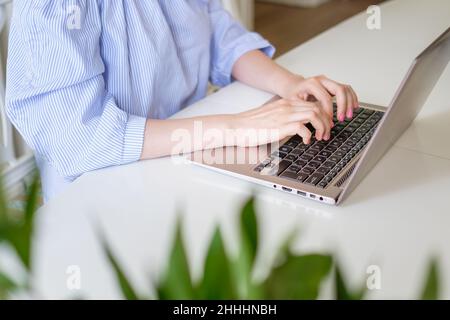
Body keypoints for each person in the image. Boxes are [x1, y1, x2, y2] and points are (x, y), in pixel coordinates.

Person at [5, 0, 358, 201]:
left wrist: (290, 83)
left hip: (183, 166)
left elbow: (219, 34)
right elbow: (79, 139)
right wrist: (237, 127)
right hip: (103, 193)